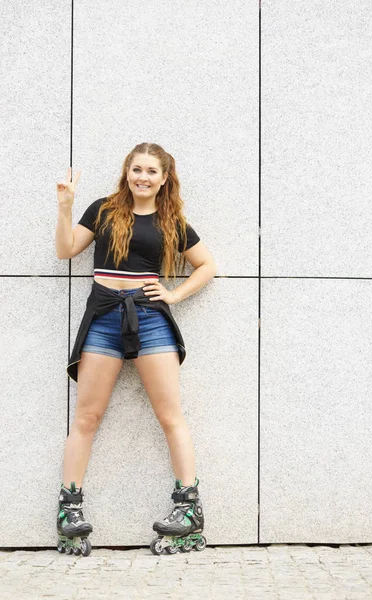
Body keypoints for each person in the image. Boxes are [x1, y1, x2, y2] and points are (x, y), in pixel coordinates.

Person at [55, 143, 217, 556]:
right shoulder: (104, 210)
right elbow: (66, 249)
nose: (142, 176)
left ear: (165, 178)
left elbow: (207, 266)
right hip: (105, 317)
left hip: (149, 319)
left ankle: (188, 510)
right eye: (136, 169)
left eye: (151, 171)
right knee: (87, 416)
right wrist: (65, 207)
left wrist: (174, 295)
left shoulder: (172, 221)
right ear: (127, 172)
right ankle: (69, 510)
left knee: (170, 416)